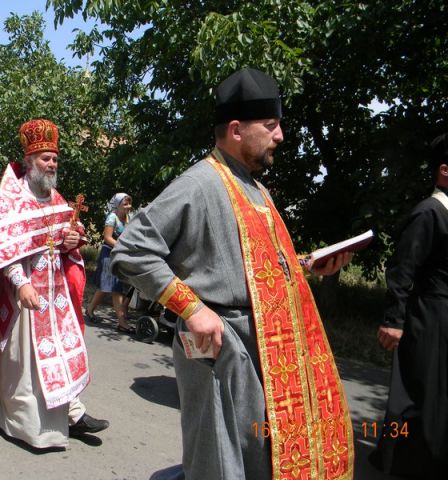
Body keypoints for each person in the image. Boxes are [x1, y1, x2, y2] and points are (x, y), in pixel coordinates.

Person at [111, 68, 354, 480]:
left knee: (256, 454)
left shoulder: (255, 188)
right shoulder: (200, 183)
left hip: (265, 344)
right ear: (237, 129)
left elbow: (252, 269)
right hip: (218, 346)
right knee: (221, 460)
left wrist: (307, 266)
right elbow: (132, 250)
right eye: (272, 126)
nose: (280, 136)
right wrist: (191, 308)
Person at [0, 119, 109, 449]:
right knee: (26, 363)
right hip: (21, 292)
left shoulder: (55, 196)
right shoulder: (12, 198)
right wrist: (22, 284)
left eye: (54, 158)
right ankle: (24, 424)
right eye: (45, 158)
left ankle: (73, 413)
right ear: (29, 161)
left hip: (55, 292)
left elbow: (65, 240)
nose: (51, 164)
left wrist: (71, 241)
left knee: (61, 353)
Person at [369, 132, 448, 479]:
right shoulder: (429, 212)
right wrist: (393, 319)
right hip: (430, 320)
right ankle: (412, 464)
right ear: (444, 172)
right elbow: (402, 268)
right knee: (424, 396)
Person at [85, 192, 134, 332]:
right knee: (115, 288)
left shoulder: (127, 218)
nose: (128, 206)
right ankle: (122, 322)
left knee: (105, 286)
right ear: (117, 205)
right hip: (108, 255)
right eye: (125, 204)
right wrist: (123, 247)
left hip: (118, 254)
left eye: (129, 203)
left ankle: (89, 310)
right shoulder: (112, 217)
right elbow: (107, 238)